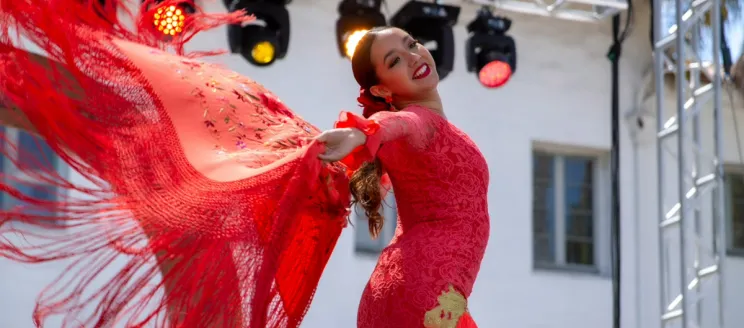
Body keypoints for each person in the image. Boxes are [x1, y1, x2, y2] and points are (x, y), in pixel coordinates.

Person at [0, 1, 488, 328]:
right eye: (396, 60)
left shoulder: (412, 130)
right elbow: (399, 129)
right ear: (382, 89)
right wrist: (364, 132)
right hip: (429, 289)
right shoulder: (417, 123)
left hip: (410, 286)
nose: (414, 55)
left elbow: (372, 154)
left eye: (410, 44)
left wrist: (354, 143)